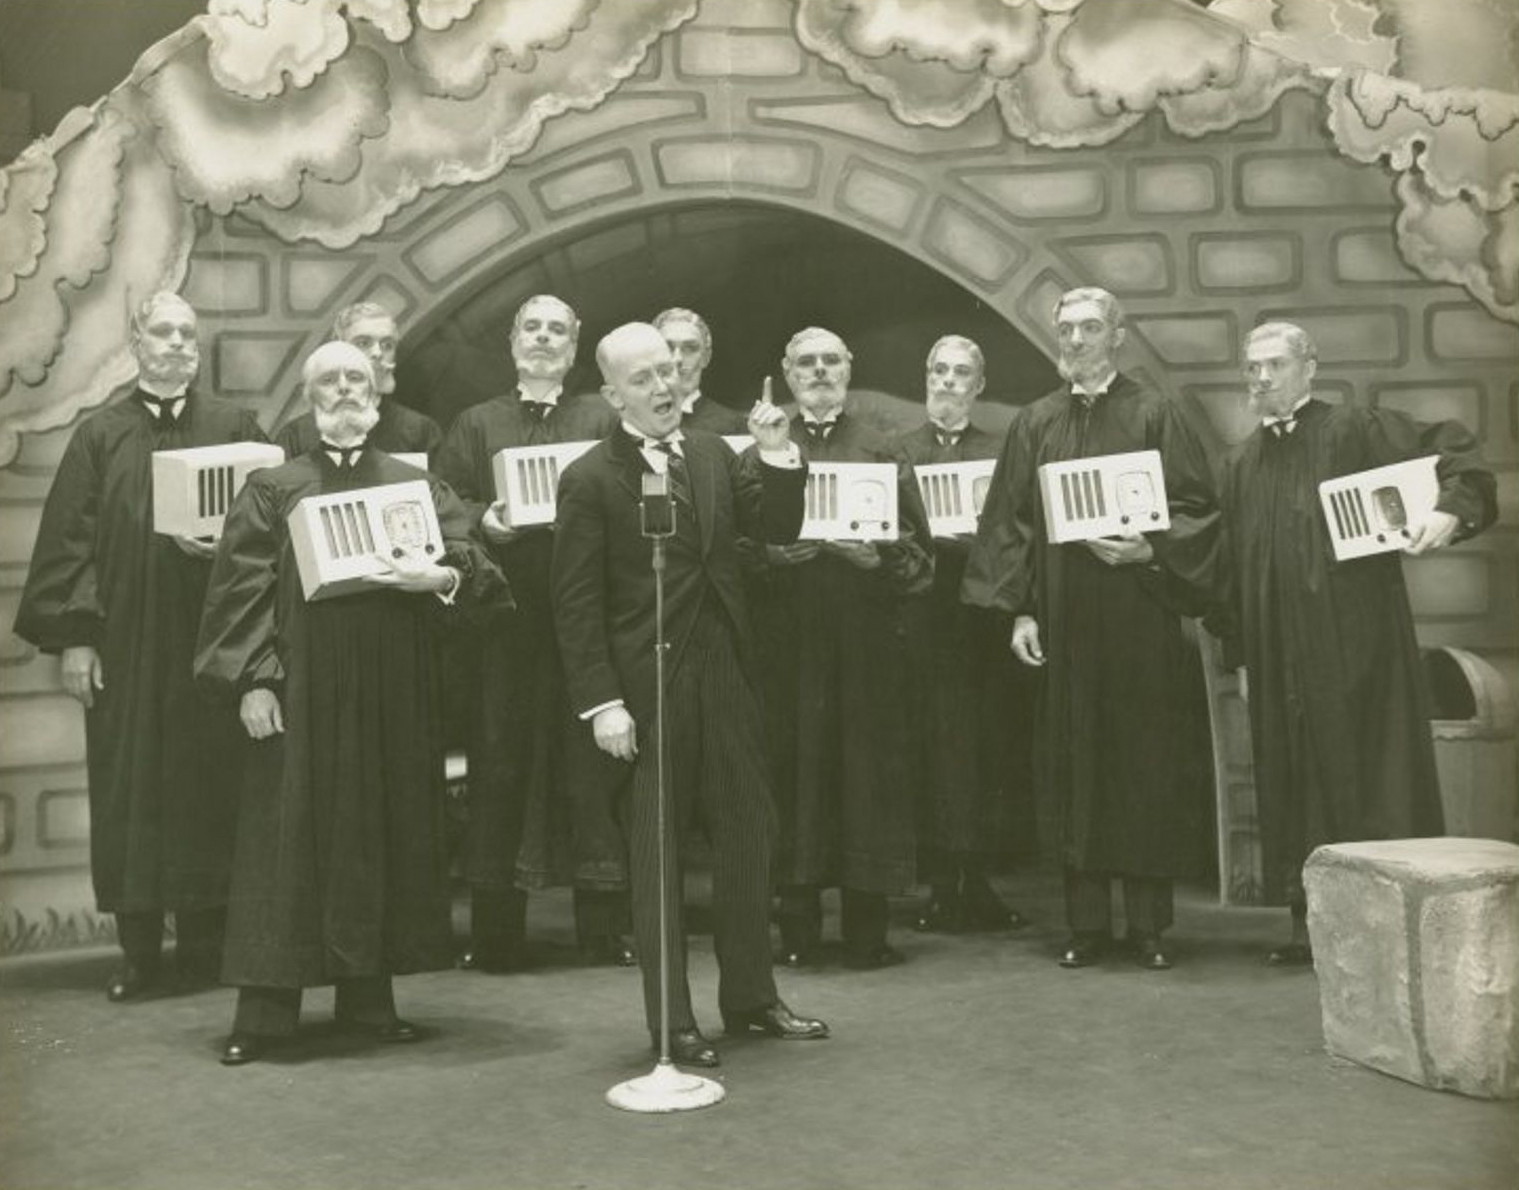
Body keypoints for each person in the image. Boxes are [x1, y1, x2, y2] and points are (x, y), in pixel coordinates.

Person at [195, 342, 507, 1064]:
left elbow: (474, 567)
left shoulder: (415, 484)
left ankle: (370, 1002)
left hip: (393, 688)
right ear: (310, 398)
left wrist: (440, 579)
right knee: (285, 838)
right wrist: (255, 681)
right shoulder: (273, 488)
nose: (344, 390)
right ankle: (265, 1016)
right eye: (330, 380)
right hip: (300, 687)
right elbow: (239, 591)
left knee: (378, 829)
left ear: (376, 395)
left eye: (356, 379)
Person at [551, 322, 828, 1068]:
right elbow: (575, 605)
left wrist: (776, 456)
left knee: (748, 838)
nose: (663, 384)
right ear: (612, 395)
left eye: (668, 369)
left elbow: (776, 526)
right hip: (646, 689)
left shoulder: (711, 454)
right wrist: (602, 703)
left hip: (725, 674)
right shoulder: (588, 478)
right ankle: (671, 1024)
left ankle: (751, 999)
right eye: (642, 378)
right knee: (657, 857)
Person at [1212, 321, 1495, 963]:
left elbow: (1454, 451)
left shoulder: (1356, 429)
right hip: (1277, 655)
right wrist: (1242, 656)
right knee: (1293, 781)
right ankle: (1308, 929)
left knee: (1368, 778)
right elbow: (1229, 570)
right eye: (1252, 367)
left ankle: (1386, 934)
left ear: (1310, 367)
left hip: (1358, 647)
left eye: (1276, 364)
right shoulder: (1238, 464)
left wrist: (1449, 510)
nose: (1262, 378)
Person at [14, 292, 265, 1001]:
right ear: (137, 341)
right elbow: (71, 543)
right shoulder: (100, 436)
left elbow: (270, 526)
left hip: (212, 641)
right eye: (164, 331)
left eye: (188, 332)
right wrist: (77, 641)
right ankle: (141, 956)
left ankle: (209, 949)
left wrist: (226, 545)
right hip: (126, 647)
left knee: (211, 788)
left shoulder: (235, 429)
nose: (178, 343)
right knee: (132, 795)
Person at [963, 287, 1220, 971]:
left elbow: (1198, 506)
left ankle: (1148, 928)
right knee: (1074, 765)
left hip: (1139, 617)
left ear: (1116, 336)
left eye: (1089, 328)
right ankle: (1085, 925)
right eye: (1067, 329)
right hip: (1065, 617)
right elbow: (1011, 520)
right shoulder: (1035, 422)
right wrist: (1020, 610)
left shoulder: (1156, 413)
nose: (1075, 340)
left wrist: (1150, 549)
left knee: (1142, 766)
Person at [434, 294, 633, 971]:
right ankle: (497, 937)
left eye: (557, 331)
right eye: (532, 328)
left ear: (574, 348)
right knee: (499, 765)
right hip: (507, 622)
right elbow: (444, 501)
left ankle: (603, 931)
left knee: (595, 767)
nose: (543, 339)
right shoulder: (476, 423)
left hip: (588, 620)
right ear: (513, 342)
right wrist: (484, 521)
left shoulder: (603, 418)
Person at [756, 327, 934, 970]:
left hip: (865, 647)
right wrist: (773, 555)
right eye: (805, 362)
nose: (819, 371)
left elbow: (920, 556)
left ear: (849, 368)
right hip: (788, 646)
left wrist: (877, 558)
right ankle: (797, 931)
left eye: (831, 360)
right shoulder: (764, 450)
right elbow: (731, 546)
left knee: (866, 782)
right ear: (787, 373)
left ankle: (867, 933)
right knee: (793, 776)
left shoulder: (883, 448)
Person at [892, 336, 1030, 934]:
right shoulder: (899, 451)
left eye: (961, 373)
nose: (948, 381)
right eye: (940, 370)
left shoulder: (1001, 451)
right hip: (921, 617)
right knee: (930, 745)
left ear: (979, 385)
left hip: (981, 617)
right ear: (927, 378)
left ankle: (978, 879)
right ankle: (940, 882)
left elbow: (1021, 531)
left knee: (983, 748)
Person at [274, 301, 442, 461]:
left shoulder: (421, 432)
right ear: (337, 348)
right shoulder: (297, 435)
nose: (377, 353)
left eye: (387, 345)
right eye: (363, 343)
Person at [654, 307, 749, 435]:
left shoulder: (734, 427)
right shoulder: (629, 421)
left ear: (706, 357)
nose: (677, 359)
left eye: (690, 348)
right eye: (667, 347)